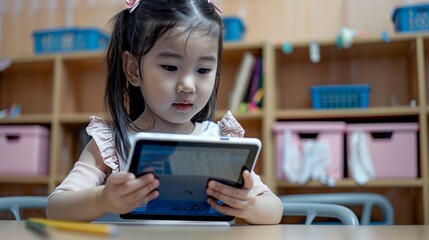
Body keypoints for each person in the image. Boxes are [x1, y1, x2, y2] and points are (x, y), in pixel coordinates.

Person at [46, 0, 283, 225]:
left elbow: (274, 208)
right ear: (133, 69)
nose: (188, 85)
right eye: (170, 67)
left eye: (203, 70)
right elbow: (56, 207)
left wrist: (251, 206)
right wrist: (103, 199)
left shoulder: (220, 140)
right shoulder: (111, 143)